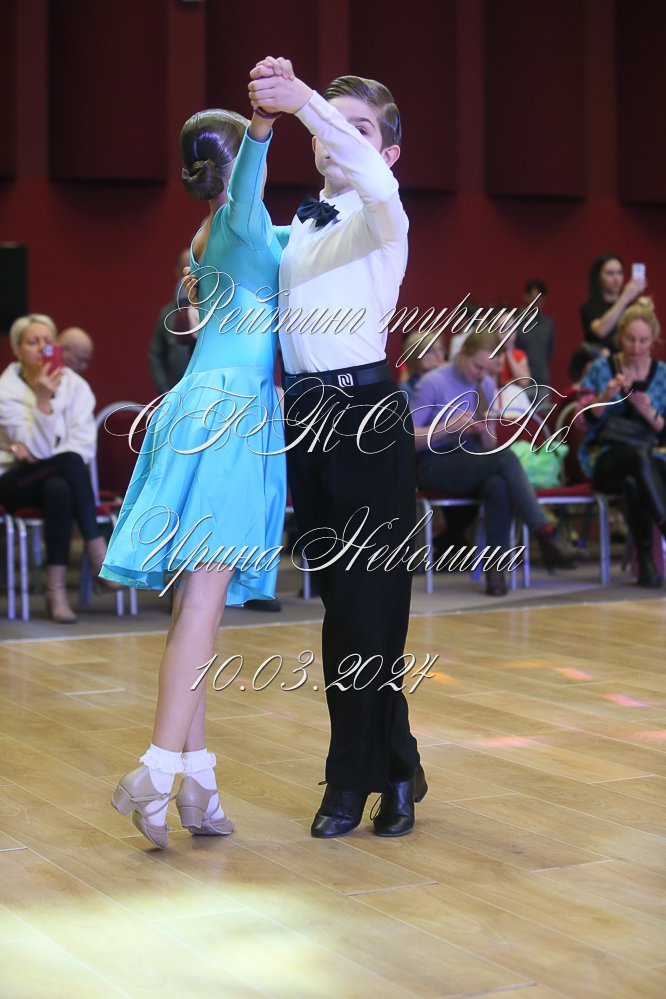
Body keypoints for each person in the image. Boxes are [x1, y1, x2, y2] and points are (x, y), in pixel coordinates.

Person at [101, 107, 287, 848]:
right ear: (235, 163)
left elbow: (290, 243)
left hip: (199, 407)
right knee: (203, 603)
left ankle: (198, 784)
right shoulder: (241, 217)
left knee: (194, 609)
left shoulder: (211, 233)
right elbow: (257, 193)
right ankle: (153, 773)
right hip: (228, 417)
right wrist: (264, 125)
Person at [248, 59, 425, 838]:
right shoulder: (300, 229)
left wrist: (306, 103)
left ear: (387, 152)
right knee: (343, 604)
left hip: (366, 416)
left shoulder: (384, 212)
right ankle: (399, 763)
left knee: (368, 604)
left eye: (359, 129)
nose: (339, 138)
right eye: (331, 125)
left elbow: (367, 176)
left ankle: (351, 779)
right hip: (307, 415)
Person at [410, 330, 580, 596]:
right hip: (434, 463)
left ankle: (496, 570)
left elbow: (489, 447)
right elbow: (407, 438)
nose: (481, 374)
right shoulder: (433, 382)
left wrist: (485, 427)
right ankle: (545, 533)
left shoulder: (486, 384)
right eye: (477, 367)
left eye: (488, 370)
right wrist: (446, 428)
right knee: (506, 458)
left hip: (472, 459)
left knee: (498, 484)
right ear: (462, 354)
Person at [0, 313, 116, 622]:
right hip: (14, 482)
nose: (42, 347)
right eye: (32, 342)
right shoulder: (6, 391)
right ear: (17, 349)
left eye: (47, 341)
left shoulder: (76, 386)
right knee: (68, 462)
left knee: (59, 488)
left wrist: (46, 455)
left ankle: (57, 593)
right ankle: (98, 552)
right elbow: (37, 454)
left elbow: (83, 447)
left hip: (55, 480)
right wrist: (42, 400)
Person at [578, 298, 666, 587]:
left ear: (653, 340)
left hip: (653, 458)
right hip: (605, 456)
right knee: (638, 458)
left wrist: (648, 412)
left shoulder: (663, 375)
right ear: (619, 337)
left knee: (635, 480)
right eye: (630, 339)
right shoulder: (600, 369)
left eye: (643, 341)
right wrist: (604, 397)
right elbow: (582, 423)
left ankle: (647, 564)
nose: (636, 348)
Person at [148, 249, 200, 395]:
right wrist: (164, 388)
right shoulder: (167, 313)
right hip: (176, 391)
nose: (188, 273)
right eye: (185, 267)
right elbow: (155, 353)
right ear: (178, 271)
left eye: (193, 267)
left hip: (205, 387)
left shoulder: (213, 308)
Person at [580, 253, 646, 352]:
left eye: (619, 273)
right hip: (599, 360)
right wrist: (625, 296)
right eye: (610, 273)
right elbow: (601, 331)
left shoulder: (631, 309)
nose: (616, 279)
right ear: (598, 277)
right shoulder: (589, 308)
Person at [515, 278, 555, 407]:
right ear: (525, 296)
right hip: (518, 383)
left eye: (540, 299)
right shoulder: (514, 321)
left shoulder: (548, 324)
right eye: (534, 298)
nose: (537, 302)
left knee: (542, 418)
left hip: (542, 383)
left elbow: (549, 352)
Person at [400, 330, 445, 401]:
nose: (438, 355)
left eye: (439, 349)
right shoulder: (406, 388)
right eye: (429, 351)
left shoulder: (449, 382)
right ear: (414, 356)